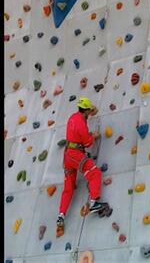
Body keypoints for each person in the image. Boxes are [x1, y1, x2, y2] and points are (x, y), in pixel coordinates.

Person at [57, 97, 105, 228]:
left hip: (68, 155)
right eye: (89, 112)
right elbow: (88, 143)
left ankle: (61, 215)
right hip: (75, 155)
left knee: (69, 187)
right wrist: (94, 136)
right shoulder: (82, 124)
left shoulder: (73, 117)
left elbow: (77, 136)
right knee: (95, 173)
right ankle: (94, 201)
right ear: (86, 111)